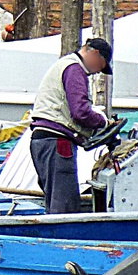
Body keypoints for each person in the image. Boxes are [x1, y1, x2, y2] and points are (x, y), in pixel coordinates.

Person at [29, 38, 113, 214]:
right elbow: (80, 111)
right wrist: (103, 122)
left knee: (54, 201)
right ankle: (65, 240)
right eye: (100, 66)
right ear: (95, 54)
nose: (96, 72)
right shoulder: (75, 69)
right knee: (64, 204)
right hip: (57, 142)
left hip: (43, 140)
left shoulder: (65, 65)